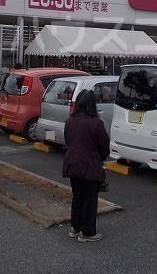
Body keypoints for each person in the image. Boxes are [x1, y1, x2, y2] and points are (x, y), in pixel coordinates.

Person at [62, 90, 110, 243]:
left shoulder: (70, 121)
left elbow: (67, 140)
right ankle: (87, 232)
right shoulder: (96, 123)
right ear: (92, 104)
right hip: (90, 166)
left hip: (72, 164)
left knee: (77, 197)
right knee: (90, 199)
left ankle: (75, 227)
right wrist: (102, 157)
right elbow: (104, 145)